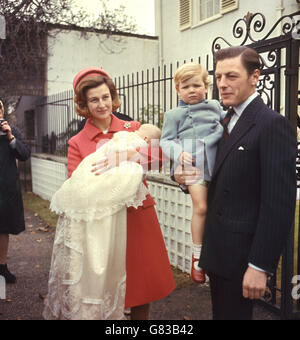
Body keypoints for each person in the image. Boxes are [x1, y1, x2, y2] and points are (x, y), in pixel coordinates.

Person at [174, 46, 297, 320]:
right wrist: (183, 178)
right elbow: (217, 176)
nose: (222, 84)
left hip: (244, 259)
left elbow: (278, 204)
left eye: (231, 76)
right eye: (218, 77)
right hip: (218, 250)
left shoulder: (271, 124)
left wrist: (259, 265)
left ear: (255, 76)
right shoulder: (223, 119)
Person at [44, 68, 175, 320]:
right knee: (101, 286)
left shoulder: (133, 128)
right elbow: (75, 183)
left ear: (113, 97)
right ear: (83, 104)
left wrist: (128, 156)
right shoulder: (77, 142)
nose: (102, 104)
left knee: (141, 287)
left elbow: (162, 158)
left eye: (105, 97)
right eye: (94, 100)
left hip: (136, 218)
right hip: (99, 225)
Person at [160, 62, 225, 283]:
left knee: (218, 210)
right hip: (193, 167)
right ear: (178, 89)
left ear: (206, 87)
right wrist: (178, 154)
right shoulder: (173, 114)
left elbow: (231, 121)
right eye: (185, 87)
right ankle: (197, 257)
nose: (192, 90)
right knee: (201, 207)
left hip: (218, 165)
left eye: (196, 85)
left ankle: (216, 254)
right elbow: (166, 140)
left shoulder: (216, 106)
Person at [0, 100, 31, 283]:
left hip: (6, 188)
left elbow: (25, 154)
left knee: (3, 228)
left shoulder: (11, 130)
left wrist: (11, 138)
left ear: (2, 111)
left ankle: (2, 267)